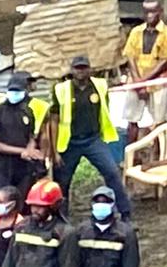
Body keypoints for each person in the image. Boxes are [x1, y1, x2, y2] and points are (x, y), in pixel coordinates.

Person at [37, 55, 132, 218]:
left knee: (112, 172)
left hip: (93, 140)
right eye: (77, 68)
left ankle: (125, 213)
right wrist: (55, 152)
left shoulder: (100, 86)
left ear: (90, 69)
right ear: (72, 70)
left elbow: (104, 109)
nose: (80, 71)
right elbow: (54, 121)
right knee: (62, 182)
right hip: (69, 143)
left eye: (83, 68)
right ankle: (60, 218)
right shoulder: (61, 89)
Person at [0, 72, 46, 200]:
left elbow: (32, 137)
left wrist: (30, 150)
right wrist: (21, 151)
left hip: (22, 166)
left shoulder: (28, 111)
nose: (15, 93)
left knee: (21, 201)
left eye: (18, 91)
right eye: (12, 90)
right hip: (1, 166)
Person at [122, 0, 167, 123]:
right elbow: (130, 57)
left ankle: (157, 137)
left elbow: (163, 62)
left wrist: (143, 82)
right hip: (136, 80)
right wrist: (138, 82)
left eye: (153, 12)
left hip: (157, 81)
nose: (149, 15)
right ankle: (132, 138)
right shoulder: (136, 32)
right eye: (146, 12)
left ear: (160, 12)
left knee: (160, 121)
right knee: (131, 119)